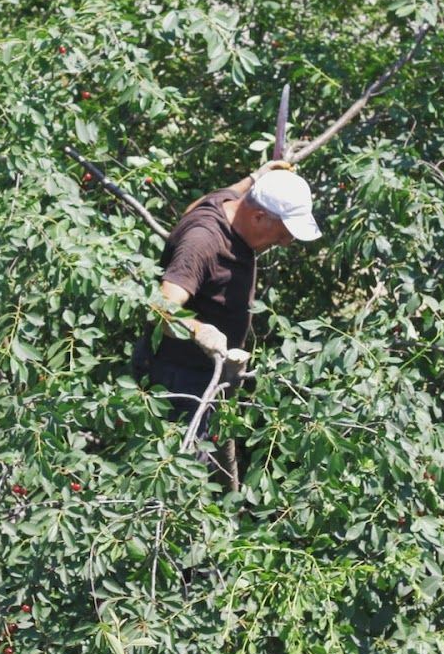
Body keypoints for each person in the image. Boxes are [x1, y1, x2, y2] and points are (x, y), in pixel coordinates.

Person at [134, 161, 322, 488]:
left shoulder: (224, 202)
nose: (285, 243)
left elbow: (197, 206)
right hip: (177, 379)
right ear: (258, 216)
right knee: (175, 478)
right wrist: (199, 330)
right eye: (282, 233)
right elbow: (159, 307)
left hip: (200, 374)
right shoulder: (204, 242)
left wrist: (258, 175)